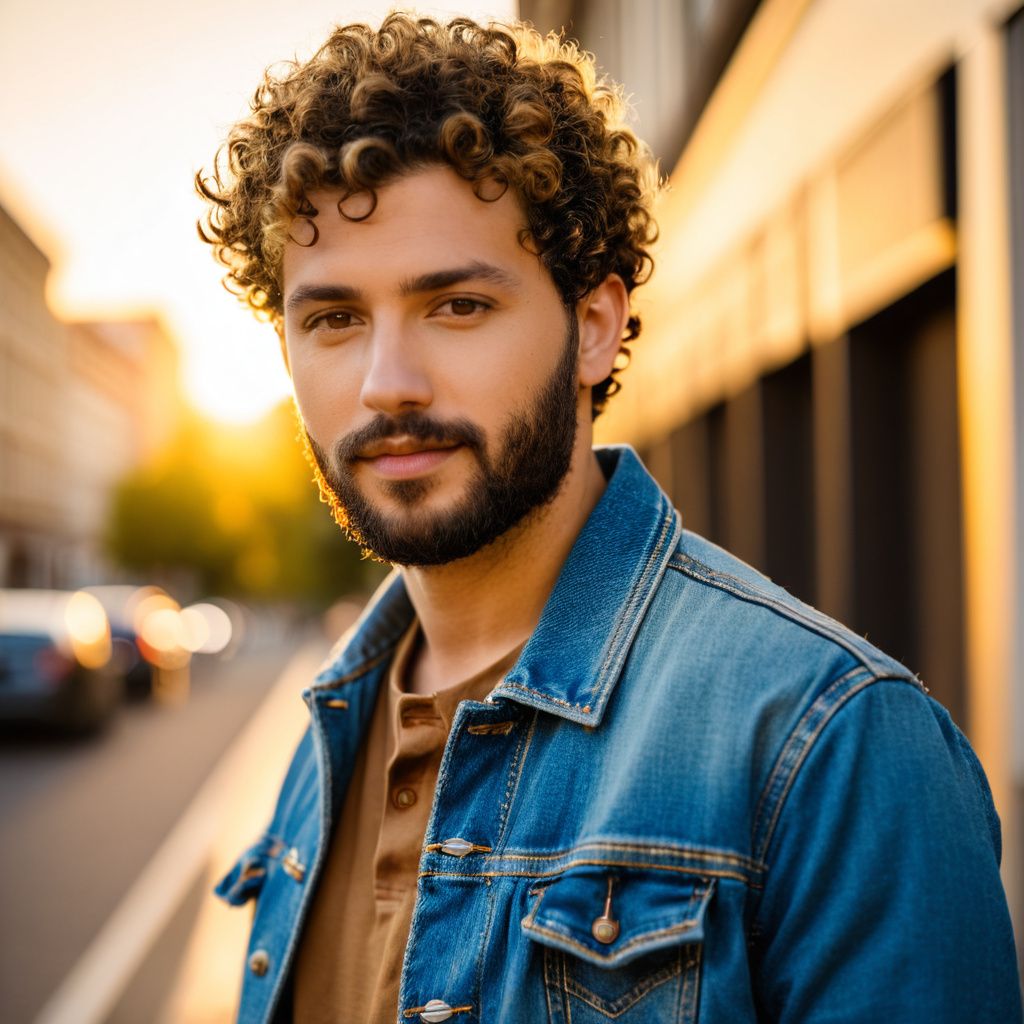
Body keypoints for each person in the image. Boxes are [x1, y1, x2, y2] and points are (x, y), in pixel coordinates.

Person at [199, 13, 1021, 1024]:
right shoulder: (328, 737)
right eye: (333, 319)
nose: (386, 384)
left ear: (594, 325)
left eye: (455, 305)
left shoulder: (833, 745)